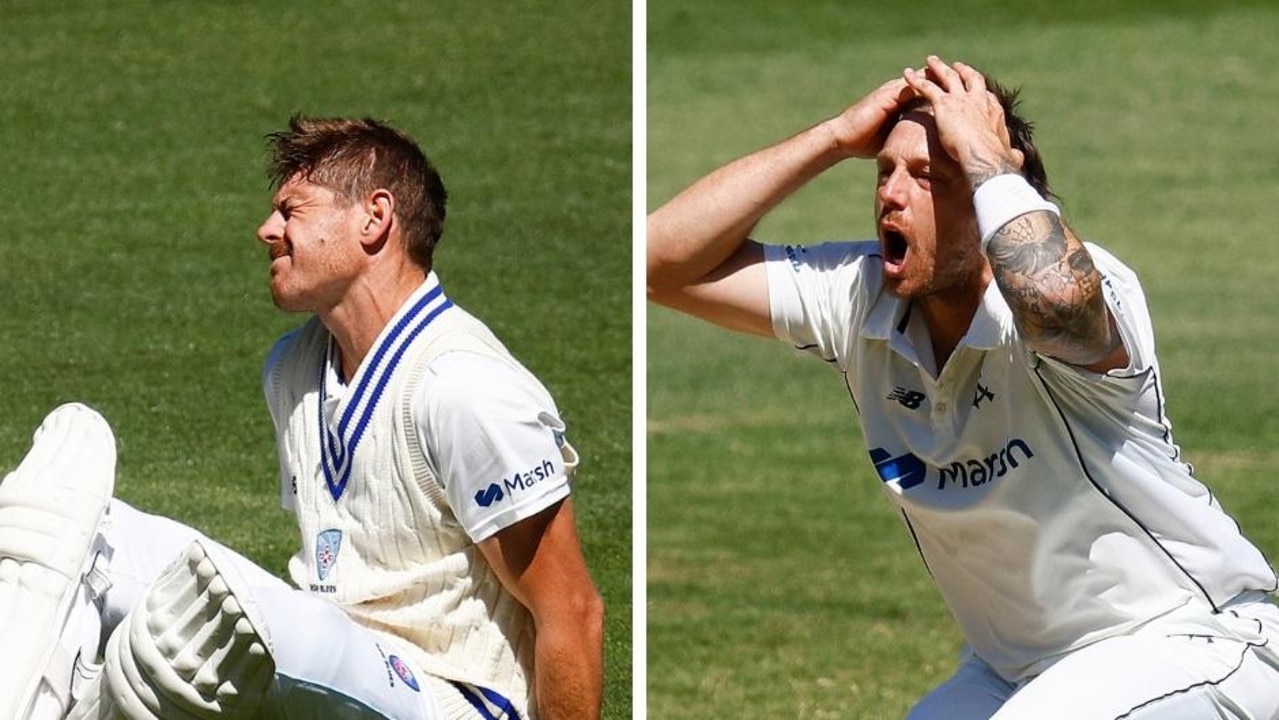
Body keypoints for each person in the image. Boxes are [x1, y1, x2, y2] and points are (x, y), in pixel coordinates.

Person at [647, 55, 1279, 719]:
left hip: (1194, 642)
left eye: (929, 178)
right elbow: (659, 264)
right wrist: (833, 138)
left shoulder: (1073, 291)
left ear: (989, 198)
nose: (891, 194)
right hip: (1018, 670)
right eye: (885, 171)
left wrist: (989, 162)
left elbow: (1058, 300)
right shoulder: (856, 298)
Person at [1, 116, 604, 720]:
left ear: (375, 218)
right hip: (339, 660)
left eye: (293, 211)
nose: (267, 231)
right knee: (75, 523)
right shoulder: (292, 367)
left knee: (210, 627)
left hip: (458, 696)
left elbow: (571, 610)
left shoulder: (464, 388)